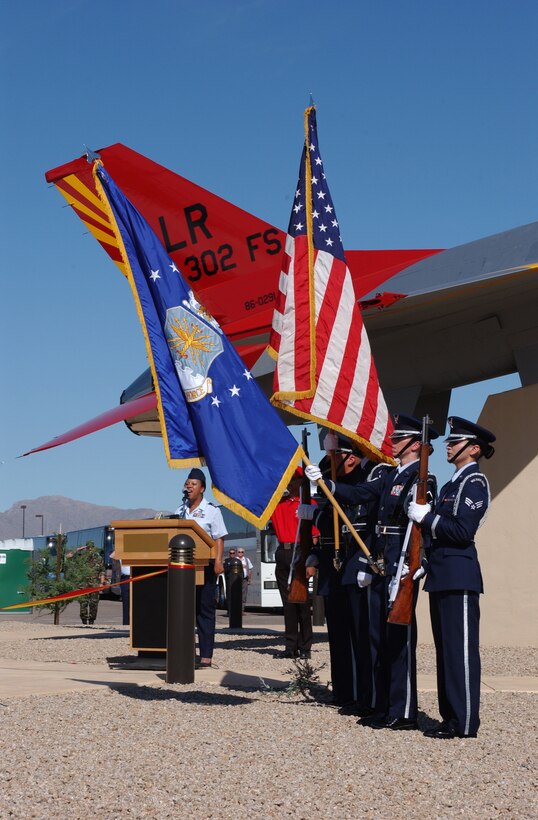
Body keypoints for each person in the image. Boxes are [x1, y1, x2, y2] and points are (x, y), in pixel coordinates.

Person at [305, 414, 438, 731]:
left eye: (397, 439)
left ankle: (403, 711)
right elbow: (359, 494)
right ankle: (383, 705)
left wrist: (418, 564)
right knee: (378, 639)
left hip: (401, 562)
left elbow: (420, 530)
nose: (391, 443)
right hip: (381, 562)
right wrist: (326, 483)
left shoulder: (422, 481)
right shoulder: (391, 476)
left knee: (399, 641)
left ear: (415, 444)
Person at [408, 416, 495, 739]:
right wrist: (425, 560)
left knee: (460, 651)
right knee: (446, 651)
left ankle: (465, 721)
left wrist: (427, 517)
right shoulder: (452, 483)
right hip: (442, 574)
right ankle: (451, 718)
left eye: (455, 442)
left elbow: (461, 532)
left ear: (473, 449)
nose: (448, 445)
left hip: (459, 575)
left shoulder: (474, 483)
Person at [302, 433, 389, 713]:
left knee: (356, 634)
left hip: (353, 560)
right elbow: (330, 520)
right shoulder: (333, 473)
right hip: (333, 562)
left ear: (352, 456)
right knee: (338, 634)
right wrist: (314, 546)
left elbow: (350, 515)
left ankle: (357, 694)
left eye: (337, 455)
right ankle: (343, 690)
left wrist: (315, 515)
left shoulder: (360, 480)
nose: (333, 461)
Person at [175, 467, 227, 669]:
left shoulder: (212, 511)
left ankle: (206, 655)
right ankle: (184, 651)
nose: (189, 486)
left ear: (202, 488)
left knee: (204, 610)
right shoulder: (180, 510)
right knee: (184, 610)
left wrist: (218, 561)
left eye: (193, 484)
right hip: (183, 568)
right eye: (187, 484)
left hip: (204, 566)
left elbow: (219, 538)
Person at [270, 468, 318, 659]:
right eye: (287, 481)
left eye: (293, 480)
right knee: (288, 604)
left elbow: (315, 536)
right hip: (283, 551)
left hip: (301, 551)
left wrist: (311, 561)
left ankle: (306, 647)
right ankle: (291, 646)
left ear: (301, 482)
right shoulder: (277, 504)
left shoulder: (308, 504)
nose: (289, 484)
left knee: (303, 603)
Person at [66, 542, 105, 625]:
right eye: (88, 548)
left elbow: (102, 571)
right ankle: (84, 620)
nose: (90, 550)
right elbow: (68, 556)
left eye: (91, 548)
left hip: (94, 583)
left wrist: (101, 583)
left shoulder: (99, 558)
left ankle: (92, 620)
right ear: (86, 548)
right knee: (83, 602)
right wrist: (77, 549)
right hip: (83, 583)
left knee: (94, 602)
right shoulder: (81, 557)